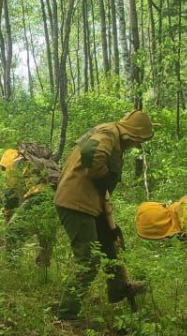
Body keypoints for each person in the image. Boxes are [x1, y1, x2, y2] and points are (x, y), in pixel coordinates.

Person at [53, 110, 155, 321]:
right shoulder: (109, 133)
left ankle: (118, 288)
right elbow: (92, 154)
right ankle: (67, 313)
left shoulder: (114, 136)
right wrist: (102, 176)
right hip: (76, 203)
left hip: (90, 203)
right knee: (88, 260)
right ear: (132, 134)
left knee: (110, 244)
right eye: (138, 141)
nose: (136, 145)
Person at [1, 147, 58, 268]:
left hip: (37, 197)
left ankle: (12, 270)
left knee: (12, 232)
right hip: (56, 199)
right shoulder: (34, 163)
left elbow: (10, 197)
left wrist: (7, 221)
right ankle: (43, 272)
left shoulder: (14, 164)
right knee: (45, 234)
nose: (3, 171)